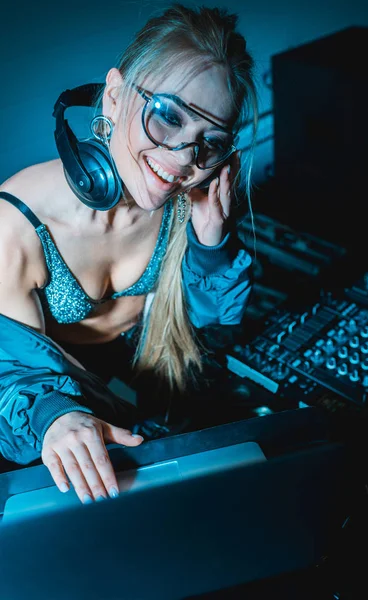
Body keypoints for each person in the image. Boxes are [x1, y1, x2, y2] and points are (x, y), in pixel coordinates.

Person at [0, 4, 258, 503]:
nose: (184, 160)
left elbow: (212, 329)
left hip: (154, 392)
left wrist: (210, 244)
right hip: (60, 398)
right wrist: (53, 417)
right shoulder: (15, 225)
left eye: (210, 141)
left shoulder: (196, 198)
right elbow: (9, 373)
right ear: (115, 97)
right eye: (167, 117)